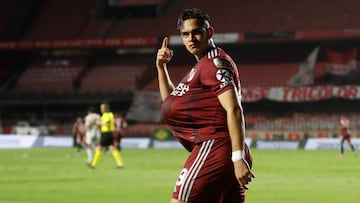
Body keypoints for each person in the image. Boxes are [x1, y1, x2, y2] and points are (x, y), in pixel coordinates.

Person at [156, 8, 254, 203]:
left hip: (214, 147)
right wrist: (161, 67)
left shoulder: (214, 64)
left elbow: (233, 109)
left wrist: (237, 158)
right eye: (185, 34)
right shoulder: (201, 67)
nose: (191, 38)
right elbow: (172, 102)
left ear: (209, 33)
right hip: (219, 150)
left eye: (196, 32)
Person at [88, 102, 124, 169]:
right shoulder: (111, 114)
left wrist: (97, 122)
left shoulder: (105, 115)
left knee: (99, 148)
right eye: (101, 108)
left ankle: (93, 165)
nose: (101, 109)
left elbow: (107, 124)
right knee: (112, 148)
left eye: (102, 108)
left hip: (105, 134)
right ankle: (120, 163)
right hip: (110, 133)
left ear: (106, 108)